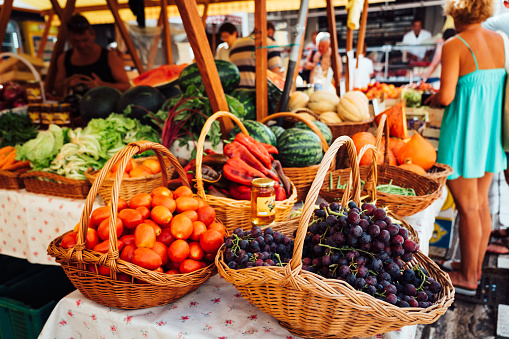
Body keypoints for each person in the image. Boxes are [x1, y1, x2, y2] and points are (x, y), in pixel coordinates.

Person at [428, 0, 507, 295]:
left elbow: (446, 96)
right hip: (489, 135)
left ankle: (469, 278)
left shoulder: (455, 44)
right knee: (481, 204)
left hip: (462, 135)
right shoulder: (500, 40)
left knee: (467, 208)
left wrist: (433, 98)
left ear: (455, 12)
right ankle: (468, 267)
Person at [54, 14, 130, 97]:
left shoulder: (110, 57)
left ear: (93, 35)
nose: (81, 45)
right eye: (76, 41)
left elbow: (126, 86)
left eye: (85, 40)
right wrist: (67, 83)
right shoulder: (64, 58)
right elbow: (57, 88)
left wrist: (102, 85)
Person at [229, 23, 284, 89]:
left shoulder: (235, 45)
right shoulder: (269, 42)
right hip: (257, 94)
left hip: (237, 94)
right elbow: (276, 75)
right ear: (270, 32)